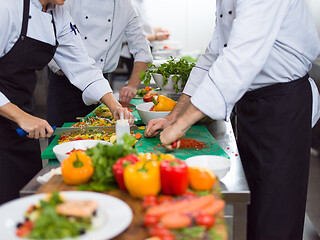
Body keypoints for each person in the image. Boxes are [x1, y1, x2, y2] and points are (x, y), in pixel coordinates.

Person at [145, 0, 320, 239]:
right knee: (254, 204)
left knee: (276, 214)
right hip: (252, 106)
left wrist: (182, 125)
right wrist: (174, 116)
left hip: (282, 107)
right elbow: (214, 55)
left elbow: (241, 56)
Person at [0, 0, 133, 205]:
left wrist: (113, 105)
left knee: (29, 198)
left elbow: (82, 66)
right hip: (12, 114)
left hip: (23, 123)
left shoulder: (58, 14)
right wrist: (20, 116)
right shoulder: (8, 7)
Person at [47, 0, 153, 128]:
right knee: (60, 143)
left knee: (100, 141)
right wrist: (92, 85)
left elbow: (143, 51)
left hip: (102, 88)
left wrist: (132, 86)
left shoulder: (124, 5)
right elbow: (66, 56)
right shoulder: (65, 2)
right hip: (65, 88)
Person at [120, 0, 170, 76]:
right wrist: (156, 37)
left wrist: (157, 30)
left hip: (143, 49)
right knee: (137, 81)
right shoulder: (130, 4)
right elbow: (134, 35)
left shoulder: (141, 3)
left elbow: (143, 28)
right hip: (133, 53)